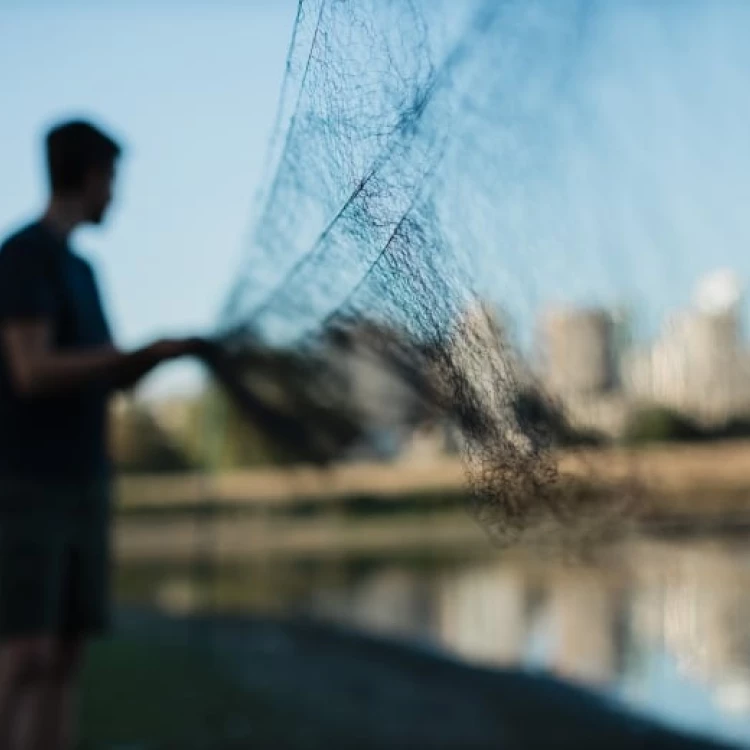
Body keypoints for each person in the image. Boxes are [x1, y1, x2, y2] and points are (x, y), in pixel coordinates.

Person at [0, 120, 203, 750]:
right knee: (24, 653)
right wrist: (132, 355)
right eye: (111, 179)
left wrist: (161, 356)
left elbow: (111, 375)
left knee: (66, 656)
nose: (115, 195)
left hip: (87, 481)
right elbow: (30, 371)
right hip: (25, 486)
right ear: (89, 176)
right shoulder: (22, 256)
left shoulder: (86, 271)